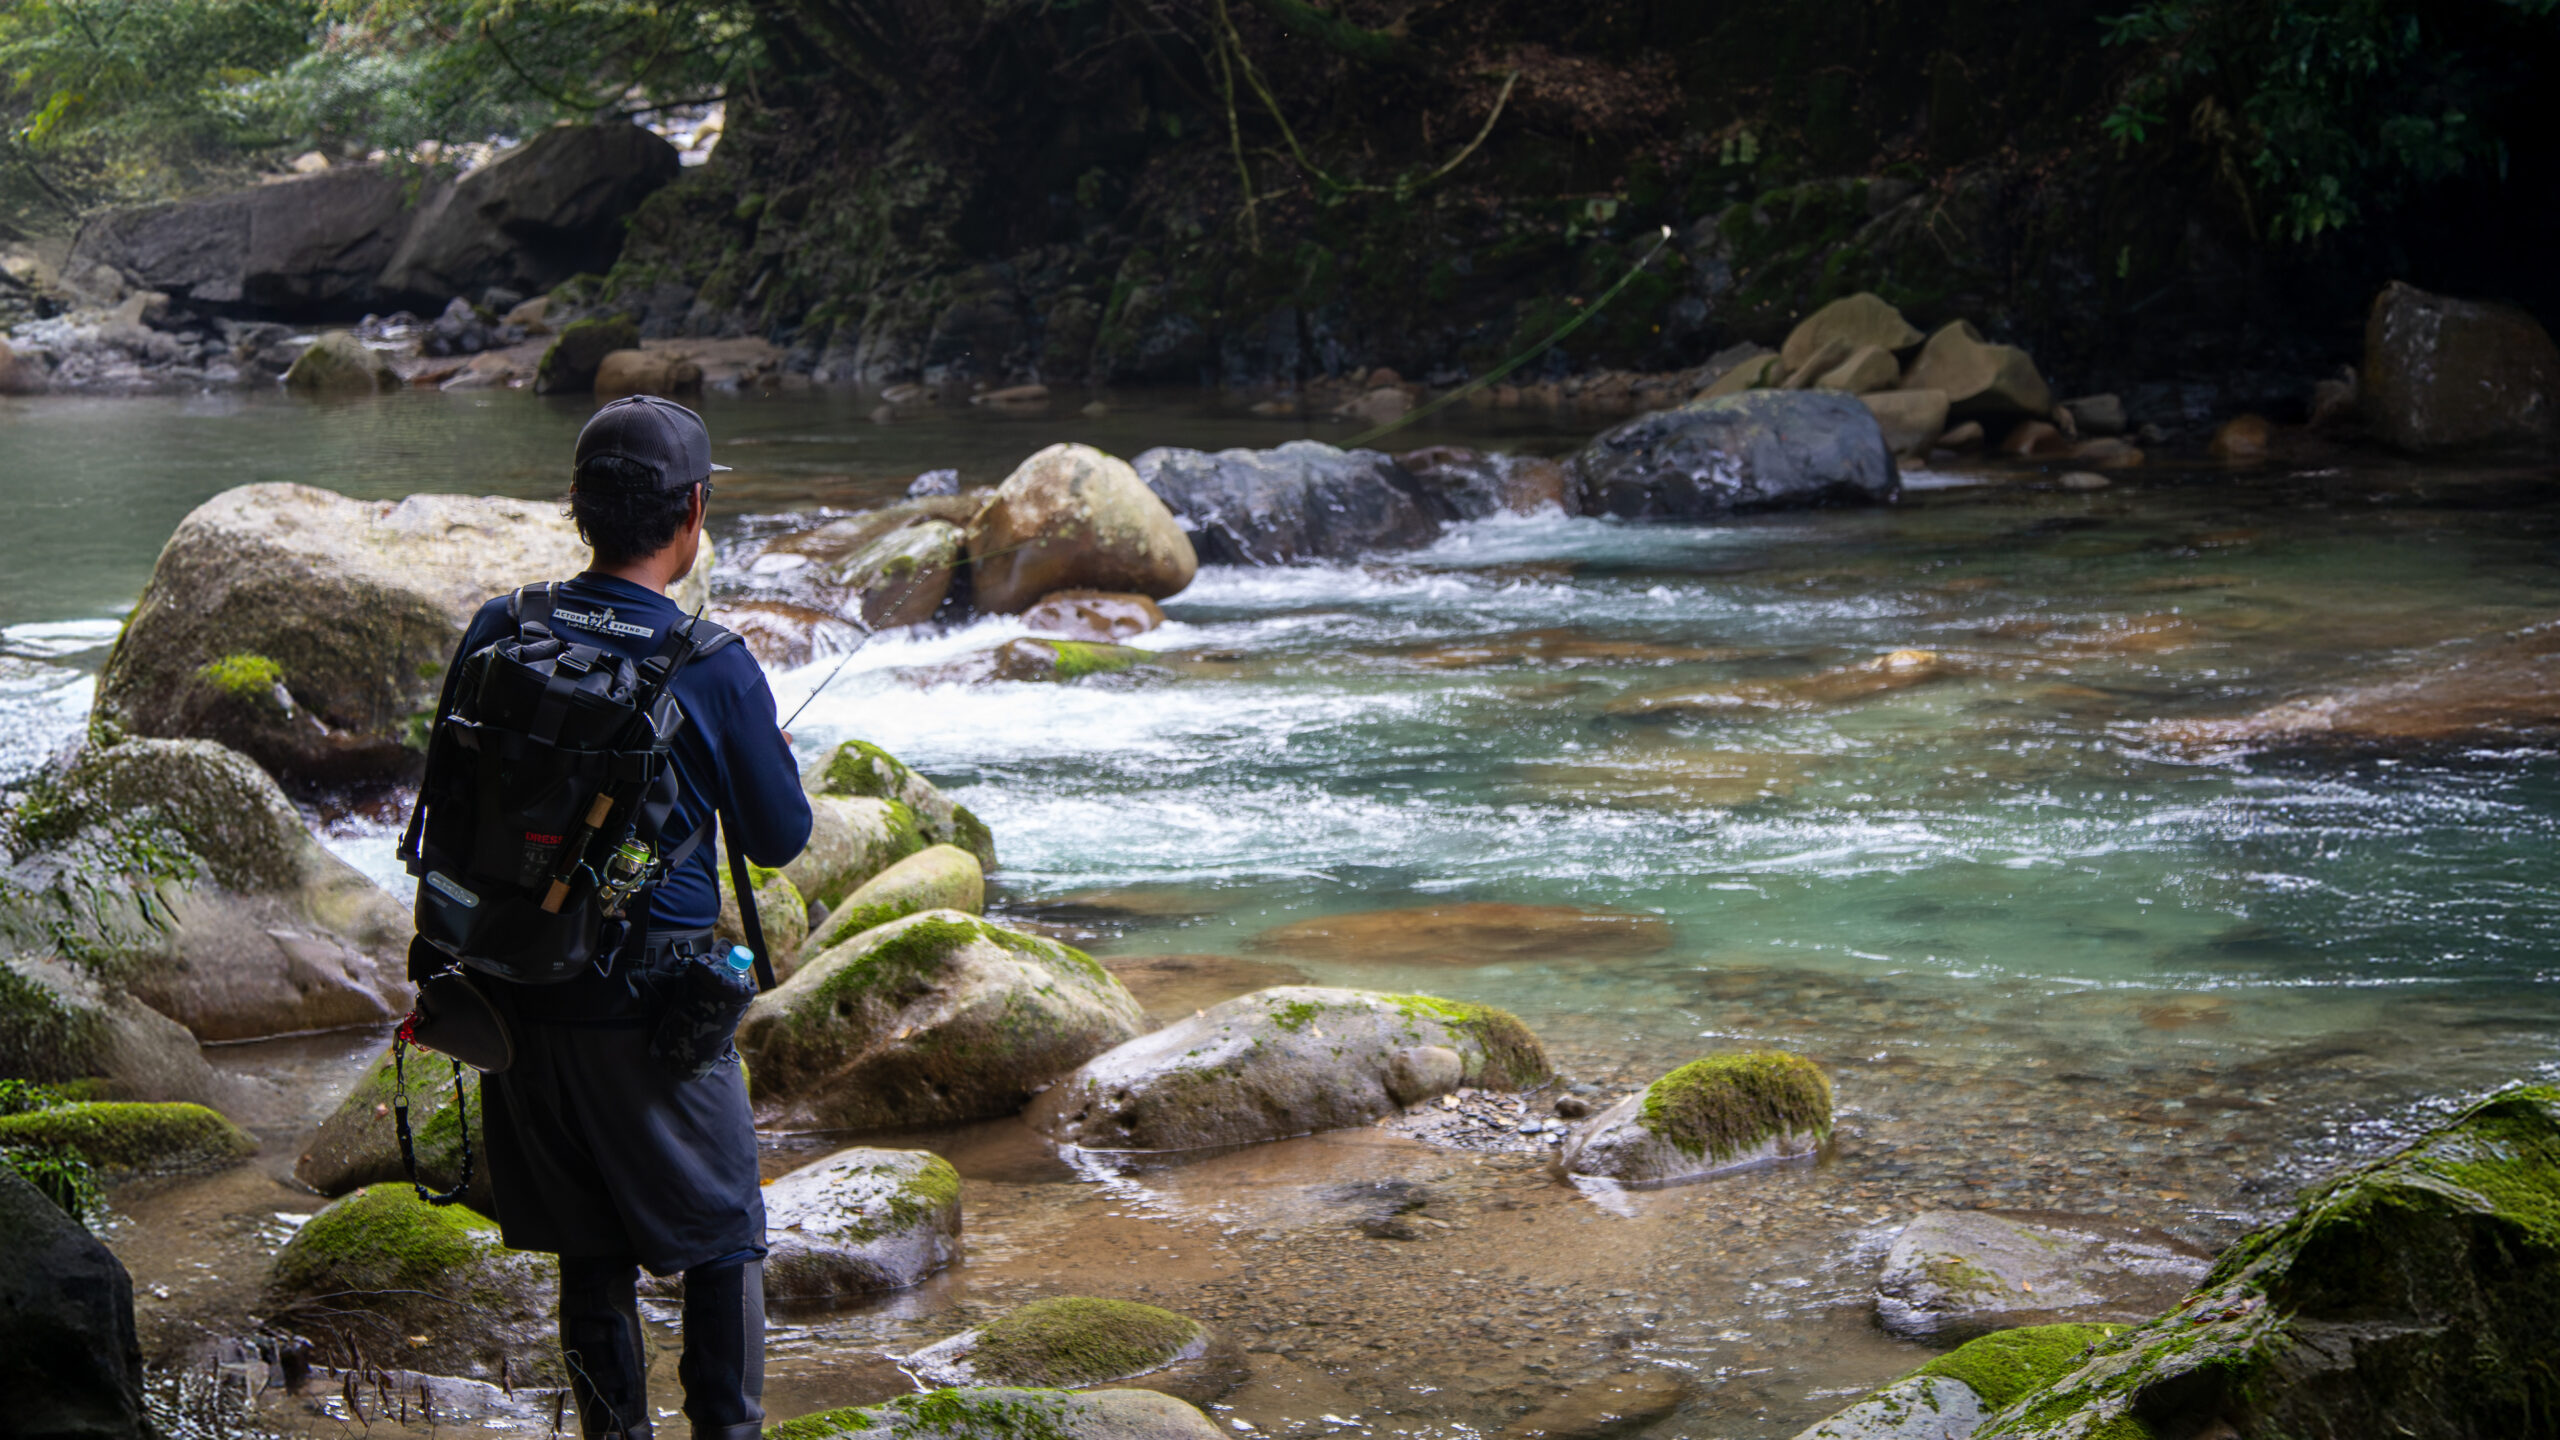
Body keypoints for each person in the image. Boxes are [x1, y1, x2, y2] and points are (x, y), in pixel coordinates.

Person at [425, 396, 813, 1440]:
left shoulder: (502, 624)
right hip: (656, 1013)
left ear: (578, 505)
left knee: (587, 1249)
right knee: (724, 1236)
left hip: (513, 996)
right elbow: (779, 838)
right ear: (692, 513)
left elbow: (445, 803)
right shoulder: (711, 662)